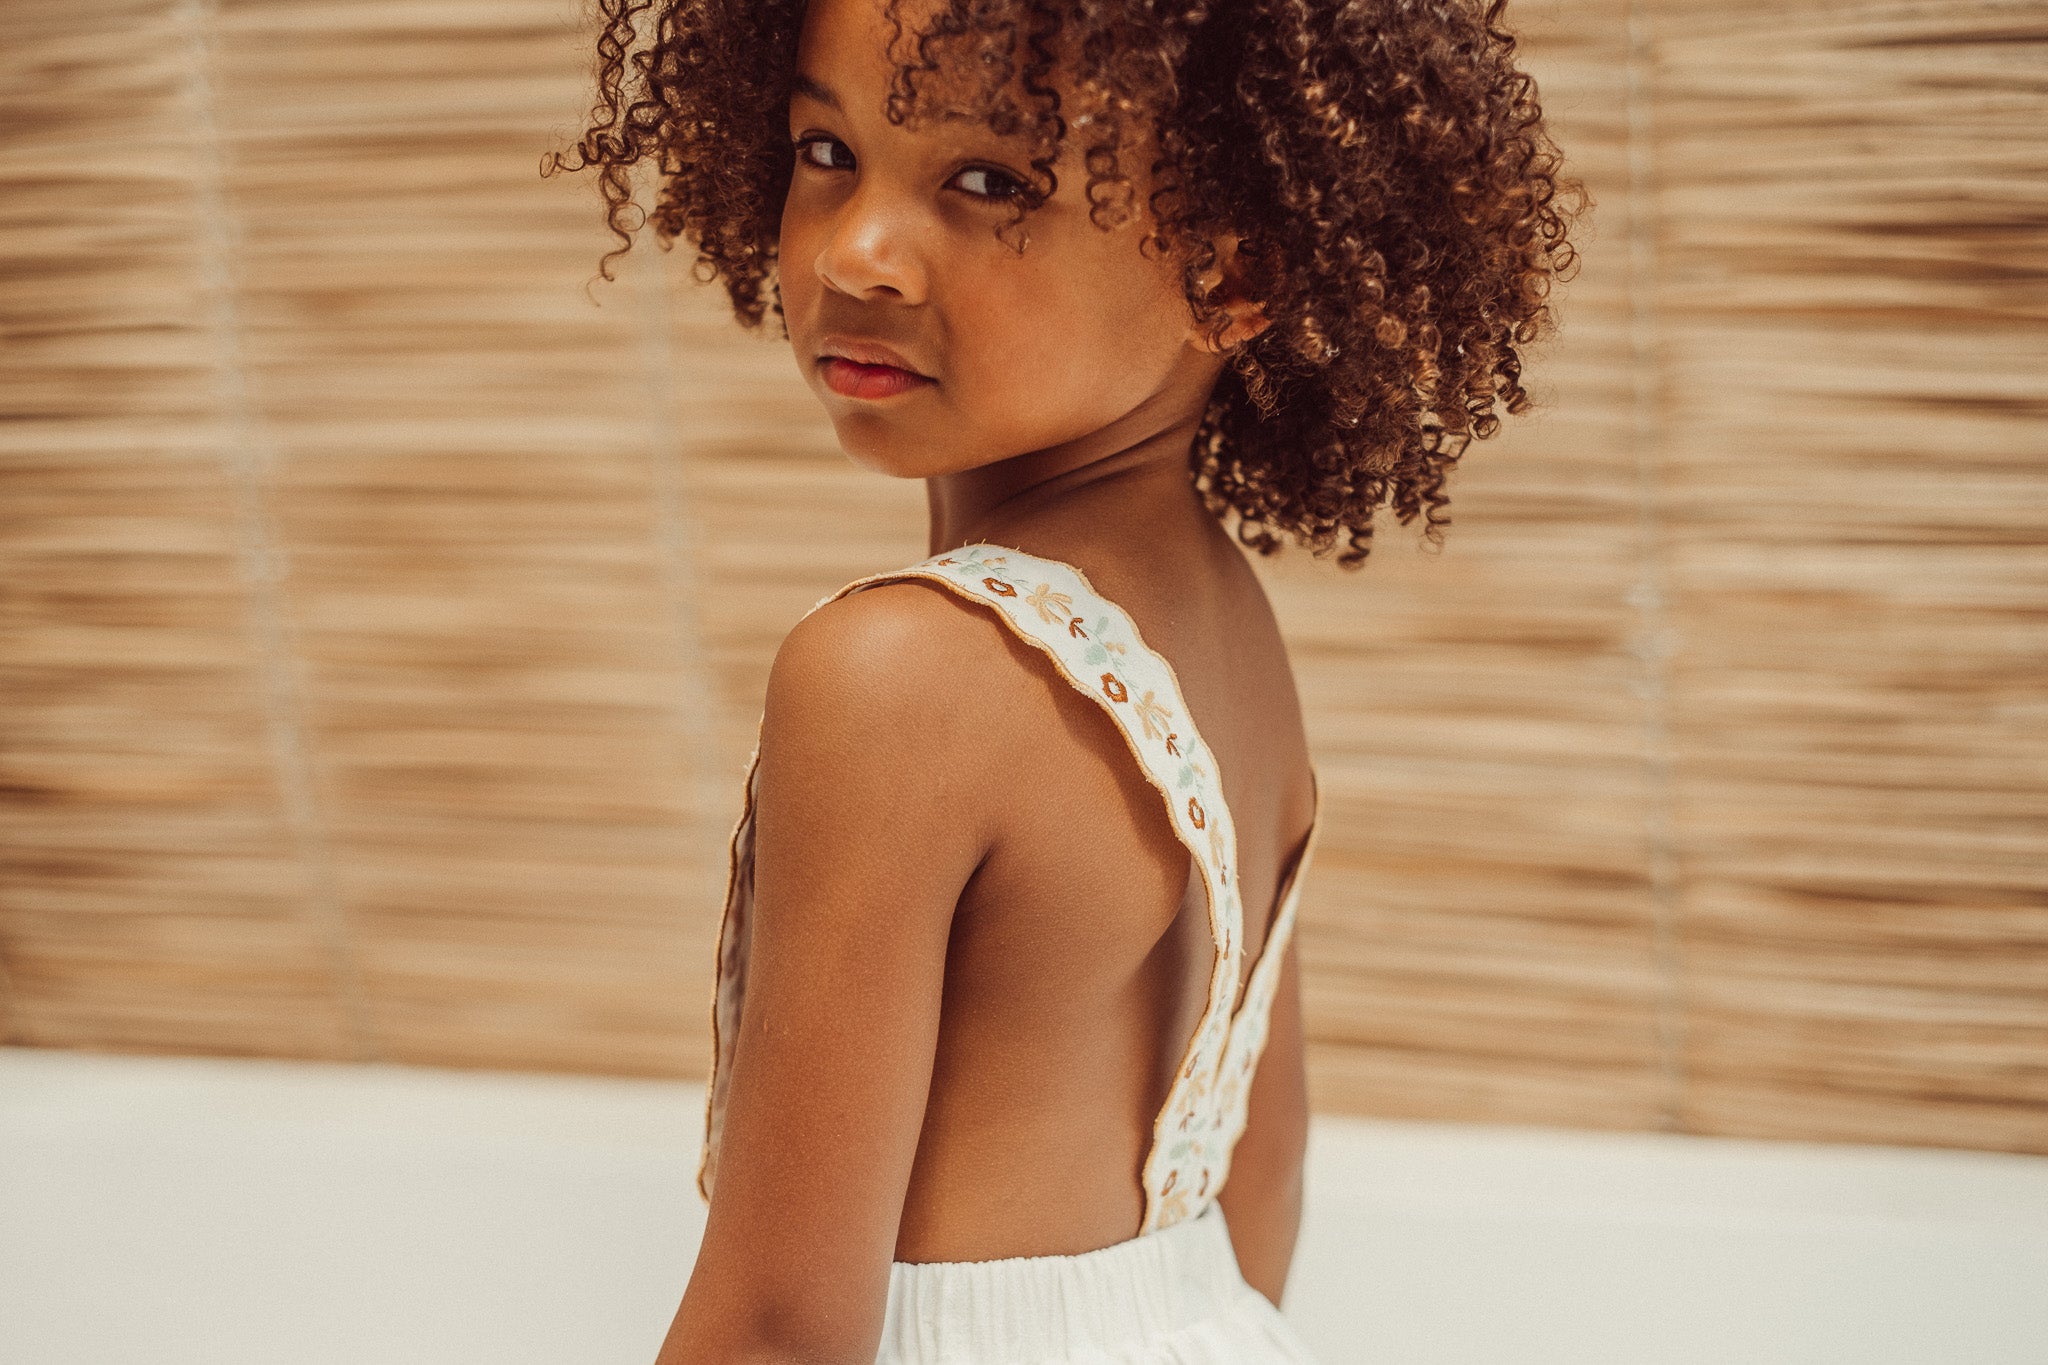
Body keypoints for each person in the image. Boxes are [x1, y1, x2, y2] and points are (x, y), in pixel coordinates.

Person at [543, 0, 1580, 1356]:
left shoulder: (896, 679)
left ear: (1229, 269)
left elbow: (781, 1328)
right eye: (826, 151)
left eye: (988, 182)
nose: (859, 252)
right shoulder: (1224, 634)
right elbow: (1261, 1180)